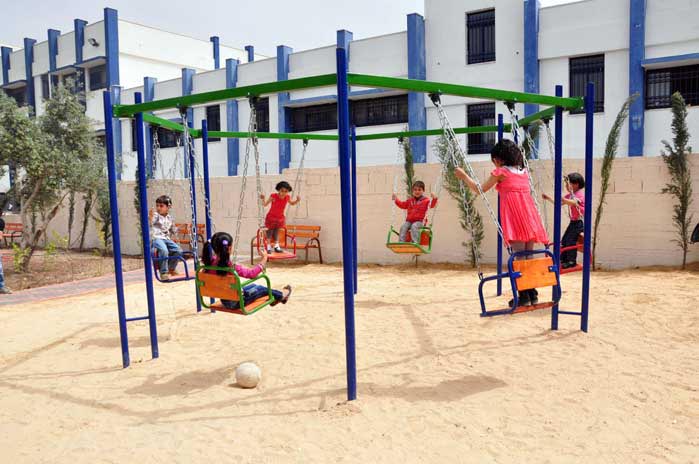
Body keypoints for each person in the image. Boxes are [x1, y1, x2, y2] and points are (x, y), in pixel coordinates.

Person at [454, 139, 549, 307]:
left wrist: (464, 176)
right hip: (529, 217)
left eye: (494, 160)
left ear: (499, 159)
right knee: (528, 256)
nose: (494, 163)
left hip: (515, 218)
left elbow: (479, 189)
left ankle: (524, 297)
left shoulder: (501, 172)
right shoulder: (523, 172)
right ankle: (532, 293)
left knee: (519, 258)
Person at [202, 231, 291, 309]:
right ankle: (282, 296)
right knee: (262, 289)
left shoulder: (209, 264)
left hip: (225, 300)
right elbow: (251, 274)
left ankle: (277, 298)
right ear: (229, 248)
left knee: (253, 285)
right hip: (238, 302)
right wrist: (264, 259)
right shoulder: (231, 268)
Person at [542, 172, 585, 269]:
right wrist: (549, 198)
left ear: (576, 184)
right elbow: (559, 203)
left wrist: (565, 200)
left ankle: (571, 261)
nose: (566, 186)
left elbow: (575, 203)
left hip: (578, 223)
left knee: (570, 240)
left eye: (567, 184)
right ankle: (563, 260)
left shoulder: (579, 194)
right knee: (564, 240)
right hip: (573, 222)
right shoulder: (570, 195)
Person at [260, 181, 301, 253]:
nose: (284, 193)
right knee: (270, 232)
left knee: (276, 232)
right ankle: (268, 247)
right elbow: (265, 204)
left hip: (280, 218)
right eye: (282, 191)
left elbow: (292, 203)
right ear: (278, 190)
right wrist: (263, 199)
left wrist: (297, 200)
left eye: (286, 191)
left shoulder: (287, 197)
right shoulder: (273, 196)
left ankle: (276, 246)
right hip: (271, 217)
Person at [151, 195, 183, 281]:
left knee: (178, 251)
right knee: (164, 251)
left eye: (161, 206)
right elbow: (151, 221)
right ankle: (163, 272)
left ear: (168, 207)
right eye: (157, 205)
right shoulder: (156, 215)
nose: (158, 208)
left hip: (166, 239)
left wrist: (177, 229)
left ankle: (171, 268)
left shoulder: (170, 218)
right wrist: (150, 218)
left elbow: (172, 230)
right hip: (157, 238)